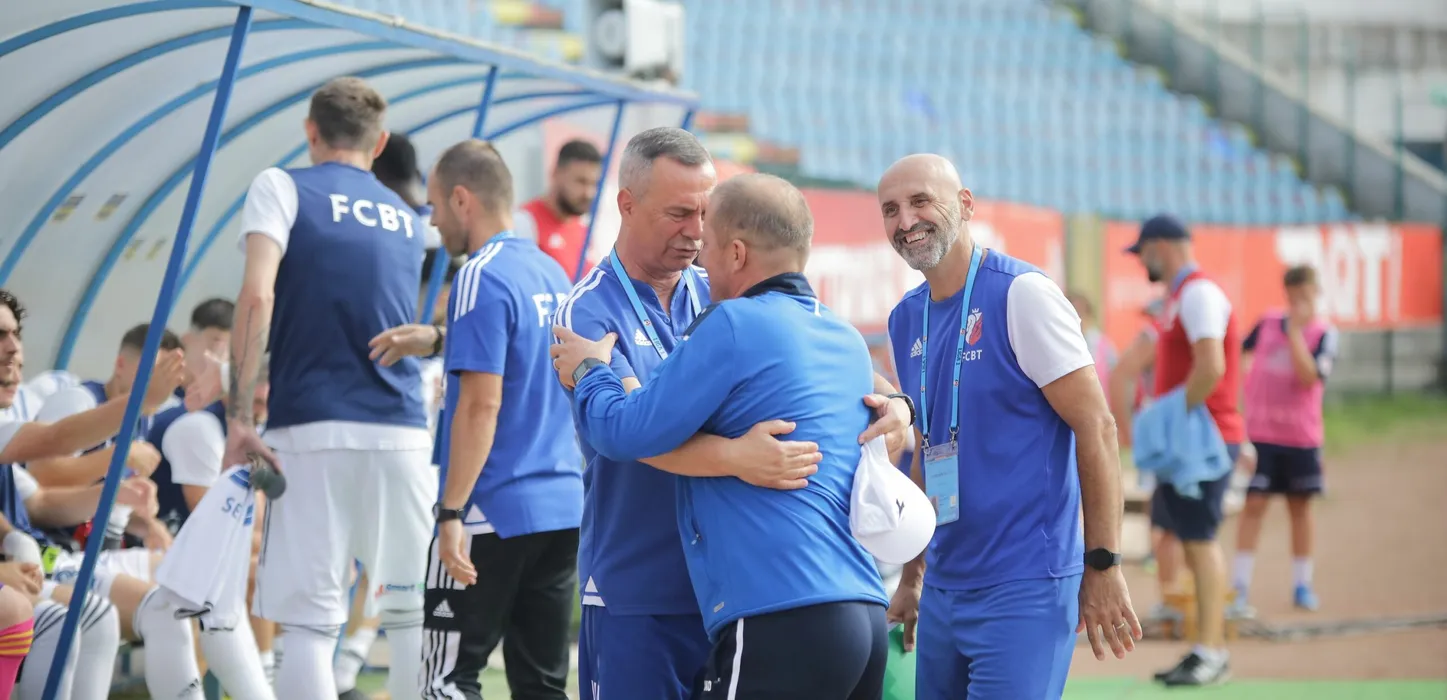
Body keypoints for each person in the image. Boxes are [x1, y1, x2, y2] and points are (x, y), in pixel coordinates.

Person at [545, 127, 903, 700]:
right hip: (641, 591)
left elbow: (829, 371)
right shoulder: (587, 310)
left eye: (705, 215)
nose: (695, 232)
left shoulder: (724, 292)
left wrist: (899, 405)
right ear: (627, 205)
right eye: (679, 213)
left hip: (734, 592)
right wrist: (737, 457)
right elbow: (632, 434)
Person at [878, 154, 1139, 699]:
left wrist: (1103, 564)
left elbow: (1097, 427)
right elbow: (928, 446)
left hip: (1025, 584)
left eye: (921, 201)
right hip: (943, 586)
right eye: (891, 209)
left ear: (965, 204)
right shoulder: (905, 318)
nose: (906, 221)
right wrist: (913, 575)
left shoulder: (1023, 294)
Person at [229, 76, 434, 700]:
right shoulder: (409, 218)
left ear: (310, 131)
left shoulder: (281, 186)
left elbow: (257, 295)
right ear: (380, 143)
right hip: (401, 433)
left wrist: (239, 416)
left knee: (310, 624)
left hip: (311, 426)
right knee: (408, 613)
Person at [408, 139, 581, 699]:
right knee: (543, 686)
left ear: (462, 200)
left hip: (491, 509)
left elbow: (482, 404)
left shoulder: (478, 275)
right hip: (562, 507)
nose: (434, 221)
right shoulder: (553, 272)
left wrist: (450, 510)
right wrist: (439, 338)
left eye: (436, 205)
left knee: (446, 681)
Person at [1126, 213, 1243, 687]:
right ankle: (1203, 648)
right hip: (1197, 438)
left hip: (1204, 439)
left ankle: (1211, 651)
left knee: (1200, 540)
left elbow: (1211, 366)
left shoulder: (1198, 293)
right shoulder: (1184, 295)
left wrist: (1173, 420)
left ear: (1160, 246)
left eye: (1143, 252)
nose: (1142, 263)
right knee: (1194, 541)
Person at [1230, 265, 1337, 614]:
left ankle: (1302, 584)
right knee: (1254, 505)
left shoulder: (1324, 334)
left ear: (1315, 293)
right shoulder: (1266, 323)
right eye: (1293, 296)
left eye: (1304, 295)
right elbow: (1237, 354)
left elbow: (1309, 377)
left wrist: (1294, 333)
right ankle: (1239, 587)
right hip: (1261, 434)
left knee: (1299, 508)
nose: (1298, 303)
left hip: (1301, 437)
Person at [31, 323, 181, 567]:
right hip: (46, 547)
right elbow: (41, 476)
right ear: (120, 365)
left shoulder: (142, 420)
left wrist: (147, 523)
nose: (161, 388)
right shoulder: (79, 402)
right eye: (155, 375)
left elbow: (109, 499)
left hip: (95, 547)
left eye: (169, 379)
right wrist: (118, 457)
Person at [1109, 298, 1186, 623]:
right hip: (1166, 438)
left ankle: (1176, 596)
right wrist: (1126, 429)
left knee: (1173, 519)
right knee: (1170, 521)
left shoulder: (1170, 332)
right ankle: (1171, 599)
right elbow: (1120, 375)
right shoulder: (1156, 335)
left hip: (1178, 436)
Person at [514, 139, 603, 281]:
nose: (589, 193)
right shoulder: (524, 222)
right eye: (581, 181)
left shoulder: (584, 229)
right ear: (556, 173)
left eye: (594, 184)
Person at [1068, 291, 1118, 397]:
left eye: (1081, 312)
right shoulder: (1061, 344)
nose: (1078, 318)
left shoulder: (1103, 345)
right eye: (1074, 313)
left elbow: (1115, 376)